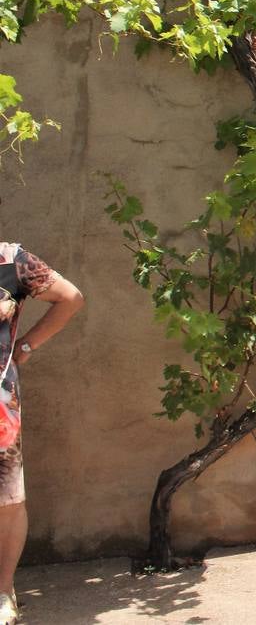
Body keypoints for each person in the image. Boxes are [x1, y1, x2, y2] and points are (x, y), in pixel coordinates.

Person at [0, 242, 83, 620]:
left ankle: (2, 593)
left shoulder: (11, 259)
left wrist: (27, 345)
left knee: (8, 500)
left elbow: (70, 298)